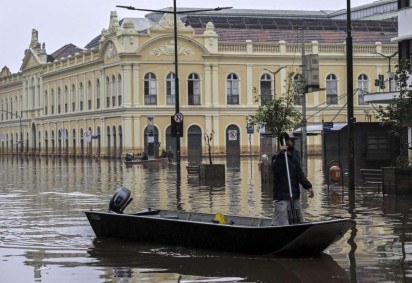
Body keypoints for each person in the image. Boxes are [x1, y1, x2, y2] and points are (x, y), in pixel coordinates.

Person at [271, 132, 314, 226]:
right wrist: (282, 154)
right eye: (291, 140)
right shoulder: (277, 157)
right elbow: (275, 169)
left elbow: (300, 174)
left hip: (294, 196)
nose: (294, 142)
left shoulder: (295, 157)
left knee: (299, 222)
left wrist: (308, 186)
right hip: (282, 197)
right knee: (281, 224)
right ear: (285, 142)